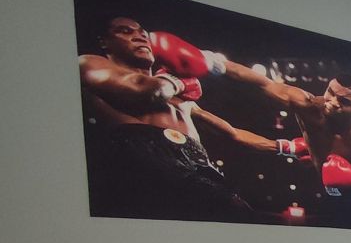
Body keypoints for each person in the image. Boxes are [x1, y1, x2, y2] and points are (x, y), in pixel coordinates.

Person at [78, 17, 272, 221]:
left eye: (143, 33)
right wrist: (178, 81)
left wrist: (285, 147)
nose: (139, 37)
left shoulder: (177, 95)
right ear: (104, 42)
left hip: (199, 164)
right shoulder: (89, 63)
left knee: (245, 218)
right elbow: (147, 91)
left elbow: (234, 133)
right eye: (125, 31)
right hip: (144, 160)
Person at [148, 31, 351, 198]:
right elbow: (261, 83)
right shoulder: (308, 106)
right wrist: (210, 61)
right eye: (330, 93)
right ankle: (193, 110)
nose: (332, 103)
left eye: (343, 101)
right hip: (311, 179)